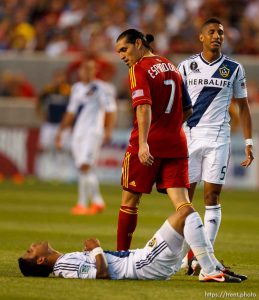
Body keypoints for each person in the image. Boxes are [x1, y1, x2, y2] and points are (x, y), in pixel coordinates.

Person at [177, 18, 254, 274]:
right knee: (183, 200)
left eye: (220, 32)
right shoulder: (186, 67)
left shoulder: (233, 68)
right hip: (189, 137)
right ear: (201, 37)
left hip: (219, 139)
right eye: (211, 32)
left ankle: (201, 257)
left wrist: (248, 141)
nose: (217, 36)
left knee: (212, 197)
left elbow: (243, 107)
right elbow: (175, 104)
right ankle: (186, 256)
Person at [115, 28, 193, 252]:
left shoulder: (138, 68)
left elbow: (144, 107)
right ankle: (203, 260)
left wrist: (143, 143)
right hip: (176, 143)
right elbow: (187, 109)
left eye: (124, 49)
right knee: (183, 206)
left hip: (147, 144)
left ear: (138, 43)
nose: (121, 56)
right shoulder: (171, 66)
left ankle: (122, 256)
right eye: (118, 52)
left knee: (129, 201)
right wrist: (170, 126)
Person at [18, 212, 245, 282]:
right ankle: (209, 269)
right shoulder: (64, 265)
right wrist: (96, 248)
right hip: (143, 264)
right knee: (185, 213)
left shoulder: (64, 260)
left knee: (187, 216)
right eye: (30, 251)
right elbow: (102, 274)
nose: (32, 246)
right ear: (40, 261)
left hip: (143, 259)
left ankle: (208, 266)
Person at [56, 59, 117, 215]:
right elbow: (71, 112)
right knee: (83, 167)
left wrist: (108, 129)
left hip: (93, 132)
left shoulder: (101, 88)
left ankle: (82, 204)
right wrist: (61, 131)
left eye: (91, 69)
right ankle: (97, 201)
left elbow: (111, 109)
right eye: (85, 69)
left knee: (85, 165)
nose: (87, 72)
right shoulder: (76, 88)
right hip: (78, 132)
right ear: (80, 71)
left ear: (95, 71)